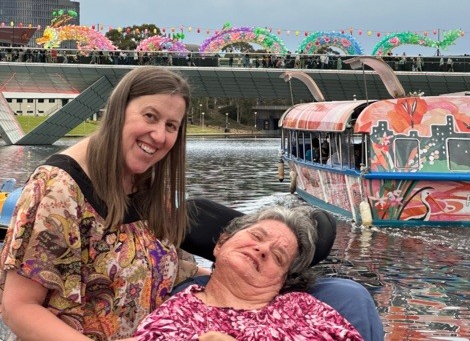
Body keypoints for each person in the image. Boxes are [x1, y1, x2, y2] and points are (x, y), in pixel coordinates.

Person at [0, 67, 203, 340]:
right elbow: (19, 308)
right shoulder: (59, 188)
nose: (159, 135)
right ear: (119, 111)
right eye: (150, 116)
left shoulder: (145, 184)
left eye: (171, 126)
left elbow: (156, 265)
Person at [131, 207, 364, 340]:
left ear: (282, 280)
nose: (262, 250)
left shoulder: (305, 309)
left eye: (278, 257)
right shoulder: (174, 313)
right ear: (221, 242)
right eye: (257, 236)